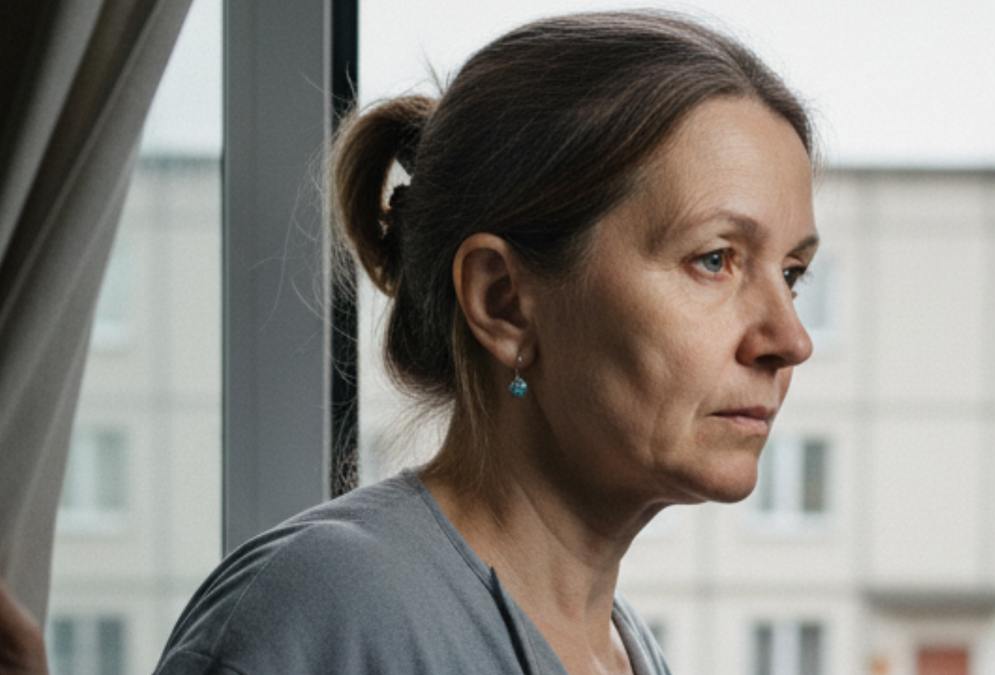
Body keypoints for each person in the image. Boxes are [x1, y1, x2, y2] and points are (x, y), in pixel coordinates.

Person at [7, 10, 819, 675]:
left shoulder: (629, 650)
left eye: (792, 273)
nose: (789, 338)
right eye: (715, 259)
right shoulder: (326, 611)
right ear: (503, 301)